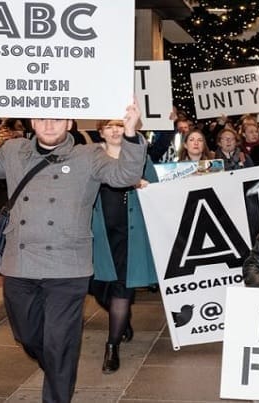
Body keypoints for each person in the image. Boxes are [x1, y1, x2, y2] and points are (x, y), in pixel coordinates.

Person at [0, 100, 147, 403]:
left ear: (70, 123)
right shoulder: (14, 151)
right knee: (28, 336)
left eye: (58, 119)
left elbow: (124, 176)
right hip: (19, 265)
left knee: (60, 343)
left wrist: (130, 135)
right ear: (32, 122)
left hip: (68, 267)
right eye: (42, 118)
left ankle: (58, 385)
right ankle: (59, 366)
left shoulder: (89, 156)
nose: (49, 124)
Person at [89, 119, 159, 374]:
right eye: (109, 126)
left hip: (132, 235)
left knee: (122, 289)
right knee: (98, 288)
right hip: (100, 236)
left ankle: (112, 345)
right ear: (101, 133)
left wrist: (144, 184)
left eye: (119, 125)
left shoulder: (139, 157)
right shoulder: (92, 159)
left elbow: (157, 188)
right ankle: (123, 320)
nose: (115, 130)